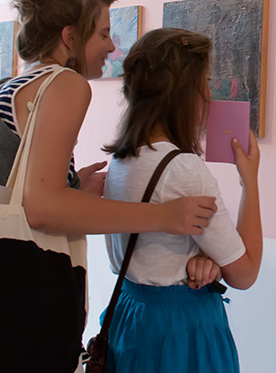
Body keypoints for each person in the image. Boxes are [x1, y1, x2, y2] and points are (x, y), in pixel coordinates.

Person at [0, 0, 219, 372]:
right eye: (103, 34)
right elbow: (42, 209)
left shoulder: (4, 88)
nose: (112, 46)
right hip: (21, 305)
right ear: (70, 37)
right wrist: (164, 216)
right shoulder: (65, 83)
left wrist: (74, 188)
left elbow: (7, 191)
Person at [101, 28, 262, 373]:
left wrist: (205, 258)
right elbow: (245, 273)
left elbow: (155, 249)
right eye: (205, 82)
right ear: (185, 92)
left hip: (130, 314)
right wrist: (250, 182)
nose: (209, 94)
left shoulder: (121, 160)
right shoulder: (182, 168)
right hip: (179, 330)